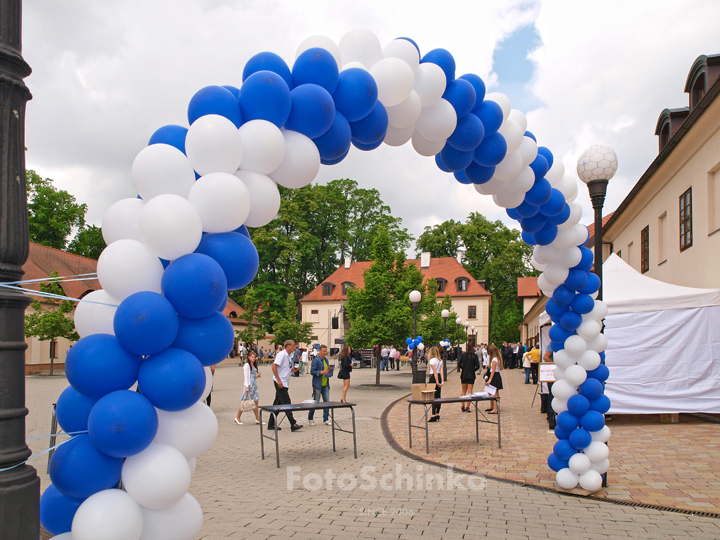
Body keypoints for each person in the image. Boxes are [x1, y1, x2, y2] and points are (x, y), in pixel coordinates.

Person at [267, 340, 303, 431]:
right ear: (288, 346)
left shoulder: (288, 356)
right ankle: (293, 423)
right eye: (293, 346)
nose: (294, 348)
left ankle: (271, 424)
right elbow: (274, 366)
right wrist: (278, 380)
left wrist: (292, 370)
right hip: (280, 382)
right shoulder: (281, 354)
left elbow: (285, 367)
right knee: (287, 402)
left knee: (277, 404)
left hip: (285, 382)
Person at [234, 351, 263, 425]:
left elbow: (253, 375)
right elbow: (246, 376)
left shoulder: (253, 365)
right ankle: (238, 417)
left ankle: (257, 418)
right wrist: (247, 386)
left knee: (256, 401)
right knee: (244, 402)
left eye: (254, 357)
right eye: (252, 357)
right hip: (249, 385)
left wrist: (257, 376)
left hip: (254, 385)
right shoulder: (247, 365)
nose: (253, 358)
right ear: (249, 357)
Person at [308, 345, 331, 426]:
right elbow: (312, 372)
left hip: (325, 384)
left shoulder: (326, 360)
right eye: (324, 351)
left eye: (326, 351)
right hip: (317, 384)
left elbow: (326, 370)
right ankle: (310, 418)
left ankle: (326, 419)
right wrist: (321, 372)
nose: (325, 353)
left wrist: (329, 372)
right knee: (316, 402)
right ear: (320, 351)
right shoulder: (316, 360)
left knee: (326, 402)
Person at [457, 345, 480, 413]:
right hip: (471, 375)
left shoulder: (464, 355)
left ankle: (462, 405)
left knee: (463, 390)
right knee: (470, 391)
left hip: (464, 374)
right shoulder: (474, 356)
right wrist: (473, 370)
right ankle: (468, 406)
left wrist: (463, 368)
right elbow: (478, 366)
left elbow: (459, 364)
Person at [484, 344, 503, 414]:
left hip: (495, 376)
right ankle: (496, 408)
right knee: (496, 393)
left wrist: (490, 380)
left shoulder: (494, 360)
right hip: (497, 375)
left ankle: (495, 409)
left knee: (494, 394)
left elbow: (493, 371)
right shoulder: (497, 358)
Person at [427, 346, 444, 422]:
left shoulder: (432, 360)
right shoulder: (440, 360)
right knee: (438, 396)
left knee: (432, 396)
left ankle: (433, 414)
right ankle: (437, 412)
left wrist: (436, 382)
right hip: (439, 376)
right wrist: (442, 381)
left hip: (433, 377)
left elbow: (434, 372)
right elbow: (441, 371)